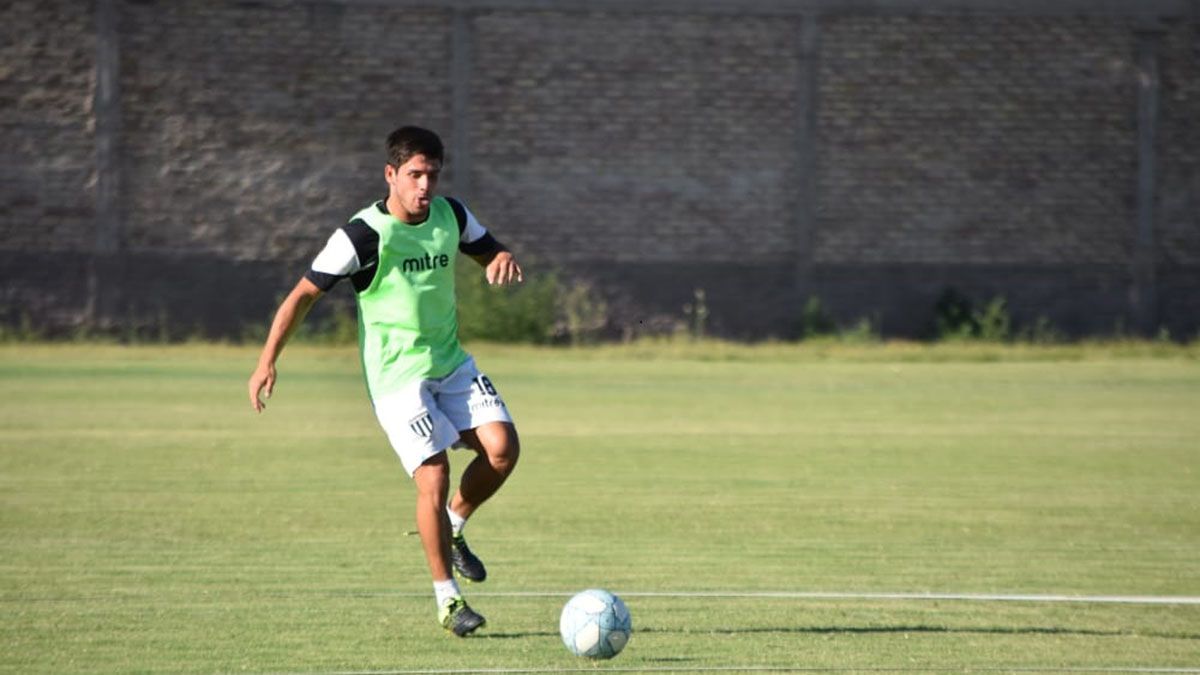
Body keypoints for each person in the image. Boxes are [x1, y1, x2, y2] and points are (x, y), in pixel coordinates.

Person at [247, 125, 523, 637]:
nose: (425, 186)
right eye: (415, 175)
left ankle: (455, 526)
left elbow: (488, 249)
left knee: (504, 449)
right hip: (397, 378)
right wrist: (268, 360)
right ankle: (448, 601)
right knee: (434, 476)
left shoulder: (451, 214)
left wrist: (501, 256)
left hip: (451, 363)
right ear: (391, 174)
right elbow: (302, 295)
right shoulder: (361, 234)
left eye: (432, 175)